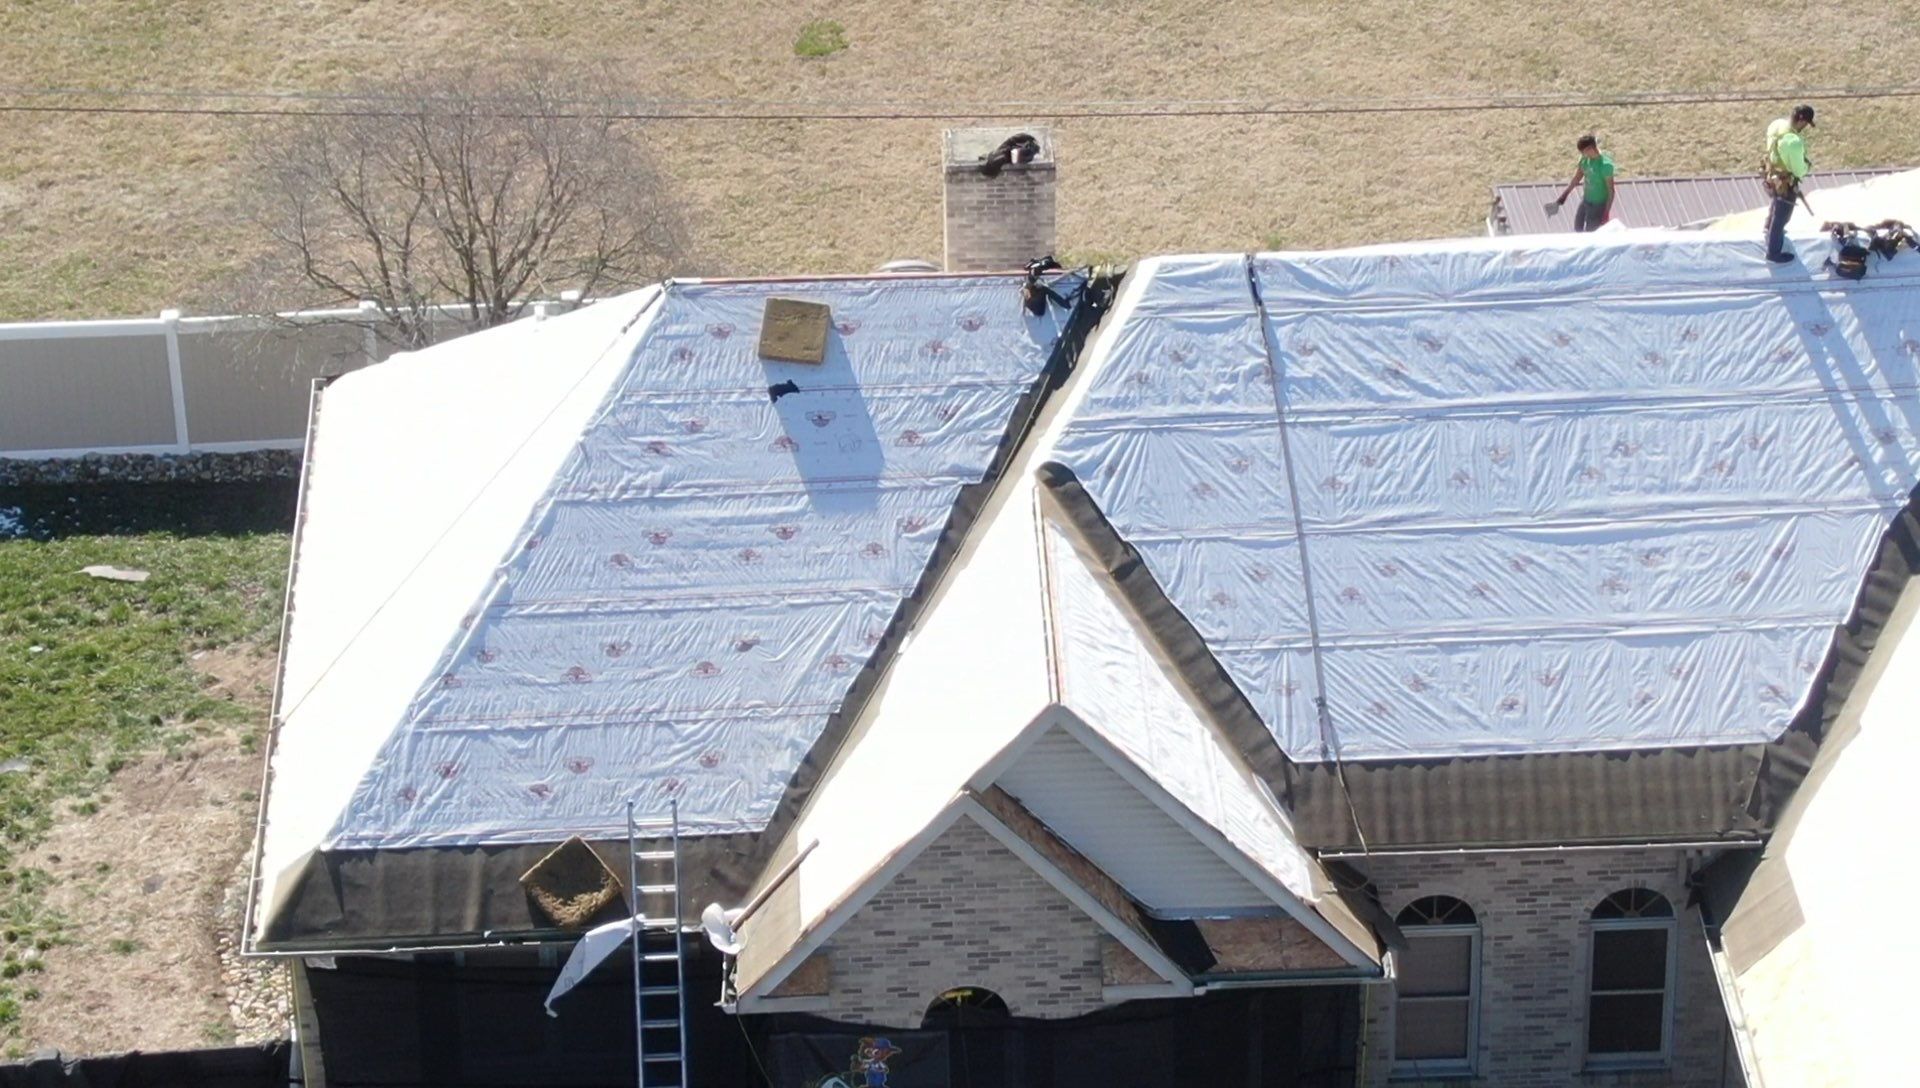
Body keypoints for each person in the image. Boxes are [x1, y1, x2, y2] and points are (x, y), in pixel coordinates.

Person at [1763, 105, 1816, 263]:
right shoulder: (1793, 142)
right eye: (1806, 123)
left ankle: (1768, 228)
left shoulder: (1776, 125)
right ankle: (1773, 252)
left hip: (1771, 174)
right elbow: (1799, 170)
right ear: (1801, 120)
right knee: (1782, 217)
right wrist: (1807, 166)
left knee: (1775, 205)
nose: (1805, 127)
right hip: (1785, 181)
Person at [1553, 134, 1616, 232]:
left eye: (1584, 152)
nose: (1583, 155)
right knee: (1578, 227)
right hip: (1586, 200)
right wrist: (1565, 194)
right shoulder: (1584, 160)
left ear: (1590, 149)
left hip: (1598, 204)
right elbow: (1577, 178)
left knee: (1590, 232)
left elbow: (1611, 191)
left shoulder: (1605, 165)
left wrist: (1606, 212)